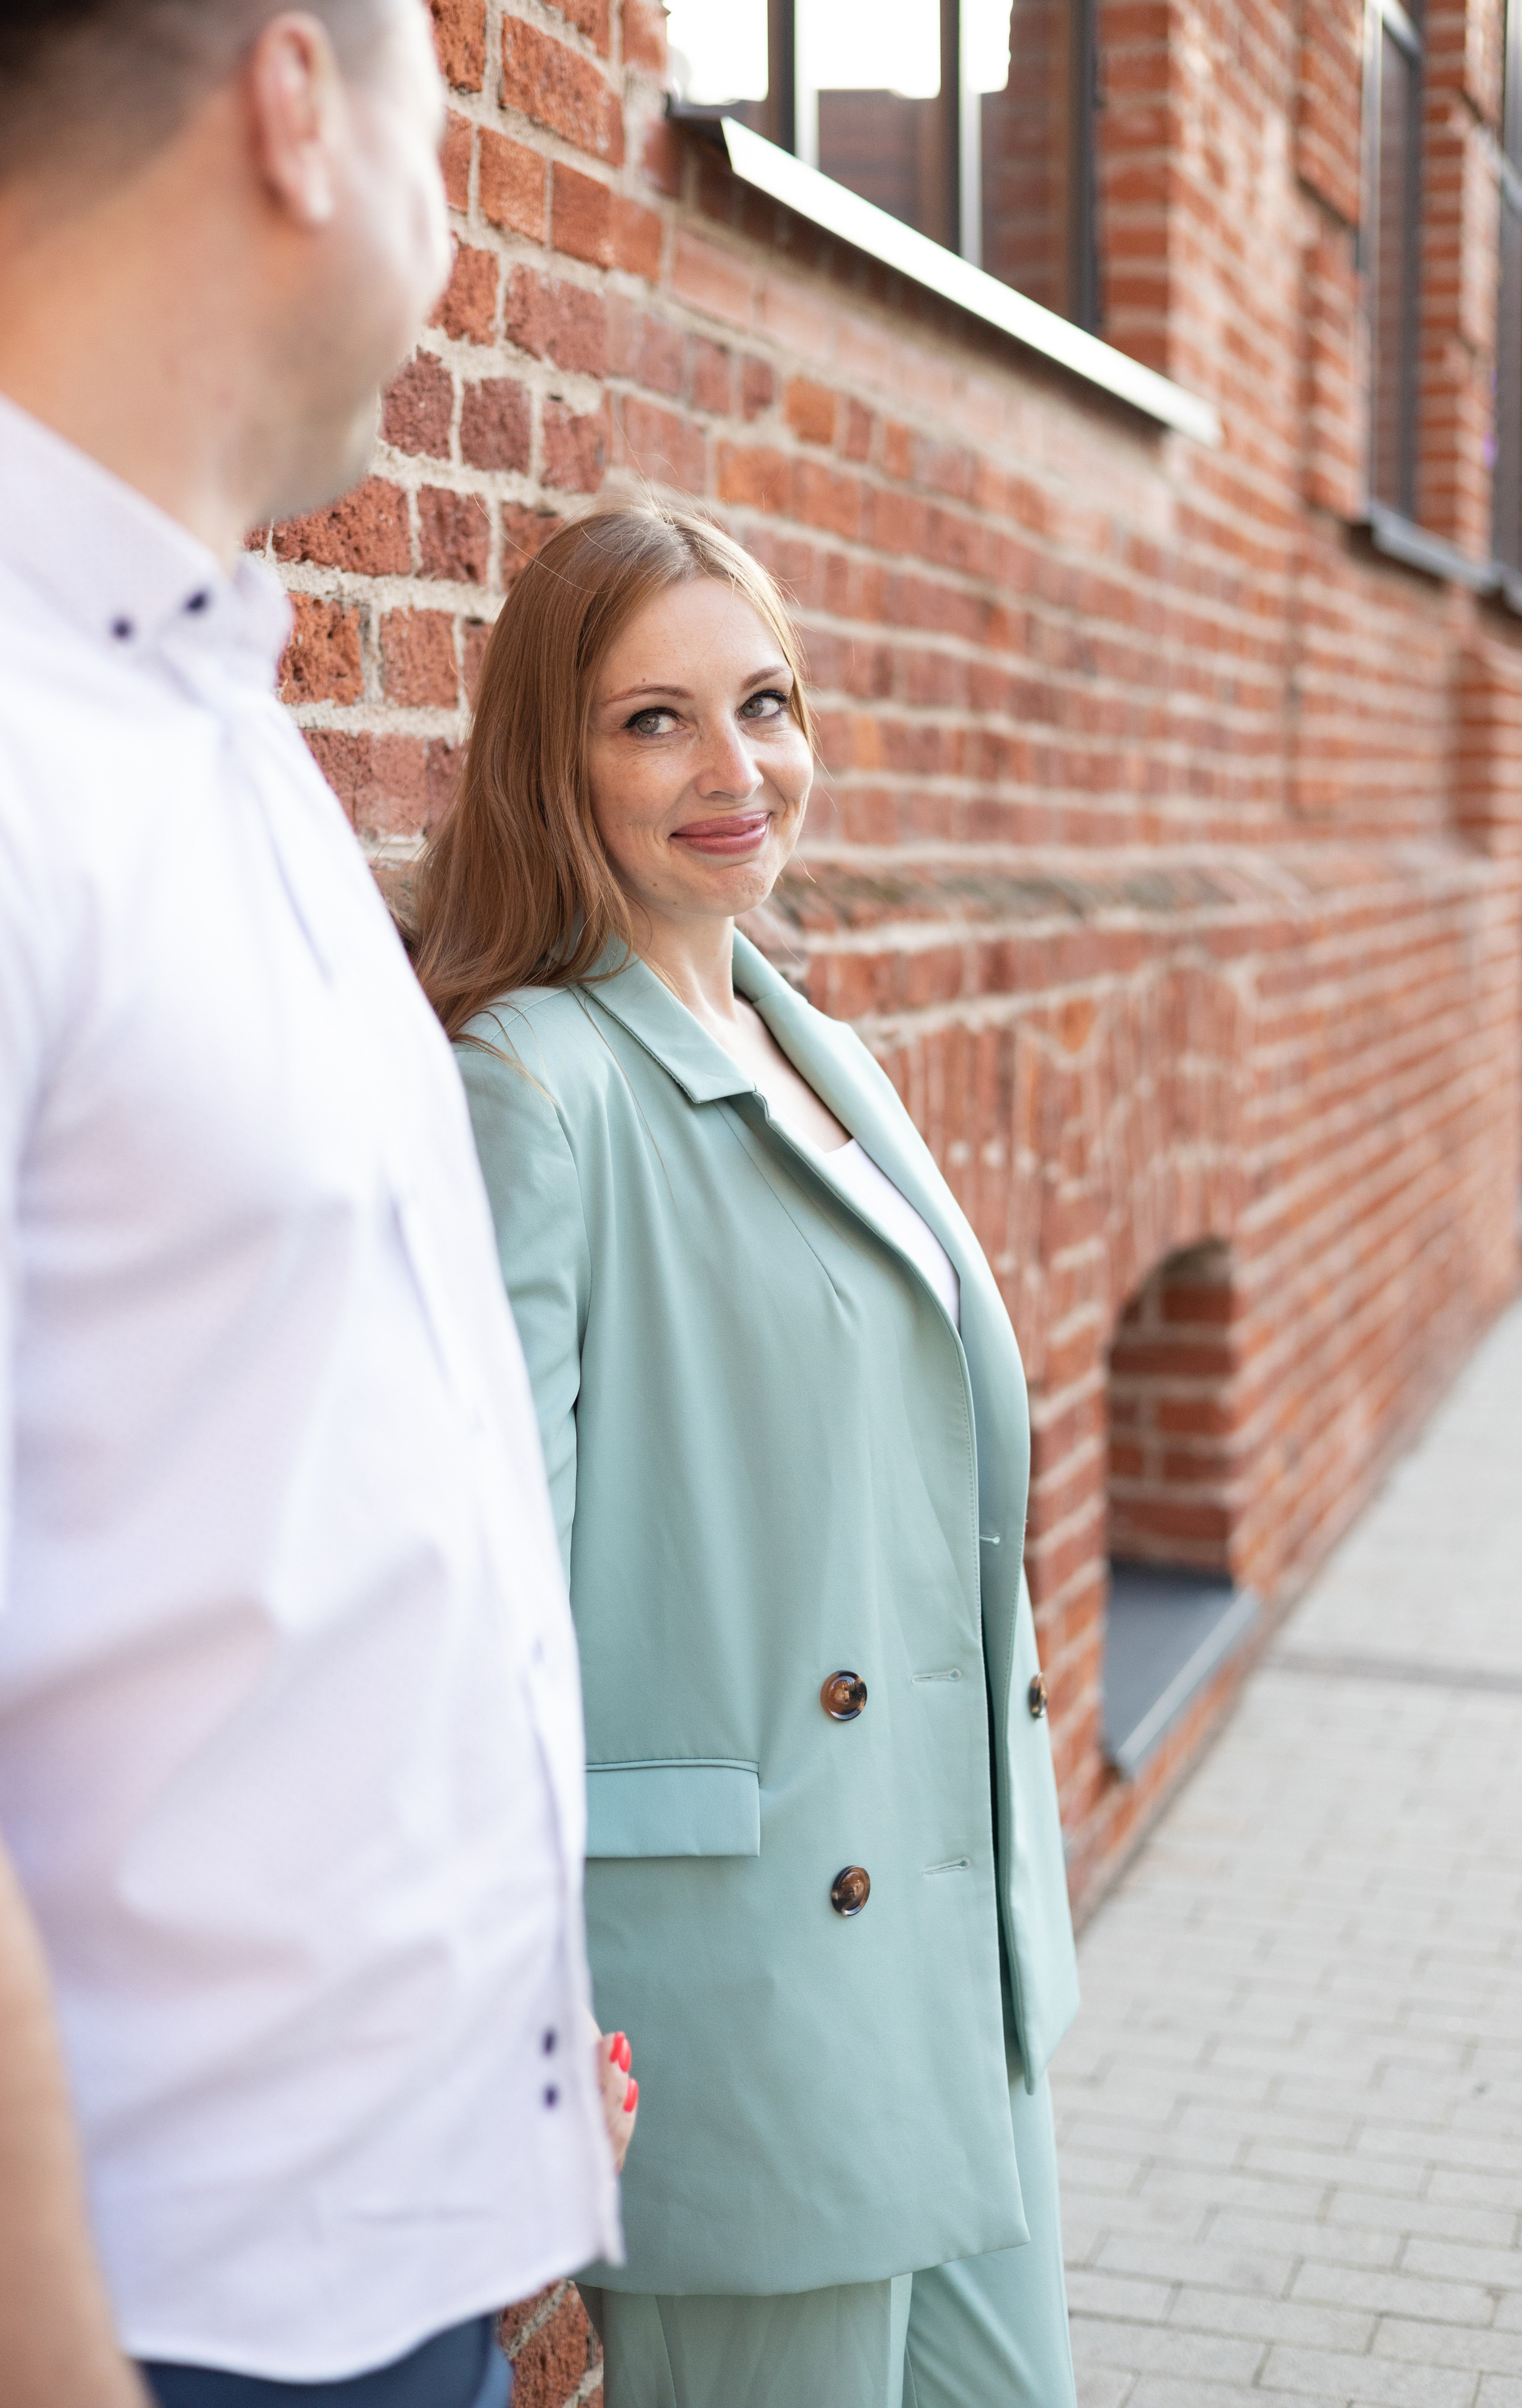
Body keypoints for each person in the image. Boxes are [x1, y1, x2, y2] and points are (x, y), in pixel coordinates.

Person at [0, 0, 628, 2407]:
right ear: (298, 113)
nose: (457, 236)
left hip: (357, 2286)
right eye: (433, 131)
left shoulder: (184, 694)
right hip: (124, 2332)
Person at [407, 500, 1084, 2408]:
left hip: (953, 1958)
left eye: (765, 703)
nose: (736, 770)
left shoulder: (805, 1033)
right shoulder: (537, 1086)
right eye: (656, 722)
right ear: (558, 759)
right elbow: (495, 1604)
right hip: (749, 1980)